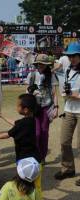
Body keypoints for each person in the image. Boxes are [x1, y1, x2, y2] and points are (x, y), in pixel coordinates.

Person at [0, 93, 40, 163]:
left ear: (25, 110)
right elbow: (15, 123)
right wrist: (1, 115)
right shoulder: (31, 120)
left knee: (24, 172)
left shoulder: (22, 124)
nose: (16, 108)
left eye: (18, 106)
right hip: (34, 155)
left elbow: (7, 134)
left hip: (24, 157)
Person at [54, 42, 80, 185]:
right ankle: (68, 169)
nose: (71, 58)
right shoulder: (68, 69)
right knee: (64, 141)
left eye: (74, 56)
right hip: (69, 110)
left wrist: (76, 95)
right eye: (69, 56)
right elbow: (53, 69)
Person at [26, 54, 58, 163]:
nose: (40, 65)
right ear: (36, 64)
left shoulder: (51, 75)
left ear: (46, 65)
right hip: (34, 108)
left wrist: (56, 108)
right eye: (39, 63)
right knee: (36, 133)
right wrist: (31, 91)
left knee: (44, 133)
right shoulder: (32, 75)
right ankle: (36, 155)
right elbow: (26, 91)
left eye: (43, 64)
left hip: (46, 108)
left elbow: (54, 93)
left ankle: (42, 157)